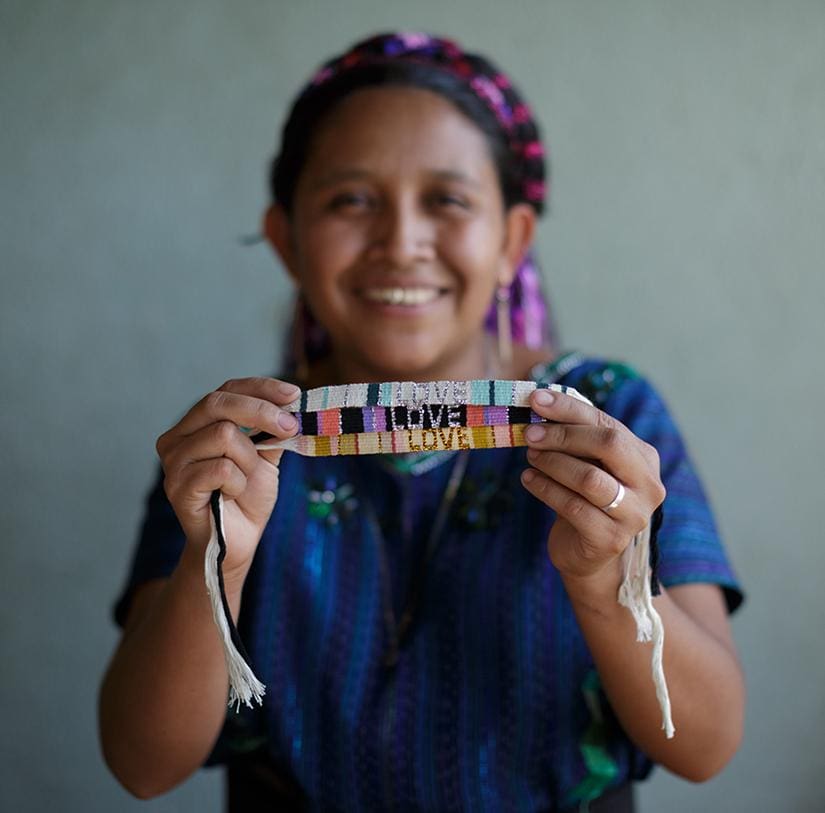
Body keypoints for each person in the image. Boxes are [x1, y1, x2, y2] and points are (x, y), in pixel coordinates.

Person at [99, 32, 744, 812]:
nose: (401, 244)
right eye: (350, 200)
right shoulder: (235, 446)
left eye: (447, 200)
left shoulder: (609, 417)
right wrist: (216, 562)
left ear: (510, 241)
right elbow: (141, 765)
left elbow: (705, 747)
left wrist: (610, 583)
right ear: (286, 239)